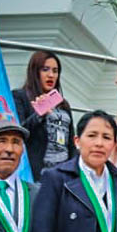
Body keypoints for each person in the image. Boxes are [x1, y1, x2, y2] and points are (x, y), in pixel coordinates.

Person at [13, 51, 74, 181]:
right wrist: (39, 113)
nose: (51, 75)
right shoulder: (20, 96)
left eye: (55, 71)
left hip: (63, 175)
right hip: (37, 174)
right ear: (35, 72)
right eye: (45, 69)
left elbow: (71, 144)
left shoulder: (64, 104)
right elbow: (19, 132)